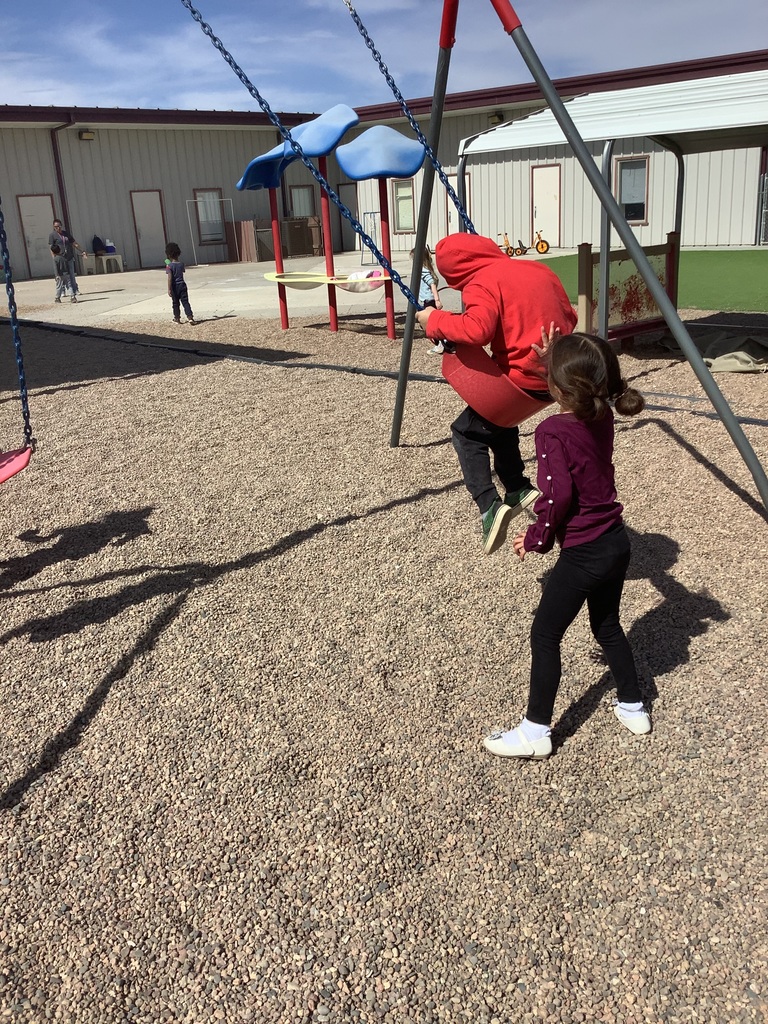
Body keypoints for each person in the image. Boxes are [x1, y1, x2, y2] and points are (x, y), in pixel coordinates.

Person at [483, 332, 650, 761]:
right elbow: (577, 386)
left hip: (586, 552)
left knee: (545, 633)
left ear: (557, 387)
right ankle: (633, 706)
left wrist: (535, 538)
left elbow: (558, 498)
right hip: (616, 543)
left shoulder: (552, 429)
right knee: (607, 626)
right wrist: (554, 360)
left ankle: (535, 730)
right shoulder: (602, 412)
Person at [415, 233, 577, 554]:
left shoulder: (481, 283)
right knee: (498, 421)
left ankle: (489, 505)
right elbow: (569, 315)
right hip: (556, 376)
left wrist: (433, 320)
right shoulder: (538, 269)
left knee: (466, 433)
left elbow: (477, 330)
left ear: (456, 273)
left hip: (521, 383)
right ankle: (516, 486)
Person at [410, 246, 442, 352]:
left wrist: (437, 300)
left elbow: (432, 284)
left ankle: (440, 343)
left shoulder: (423, 270)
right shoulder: (427, 268)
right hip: (428, 300)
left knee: (430, 323)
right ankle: (440, 343)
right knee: (431, 322)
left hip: (428, 300)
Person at [48, 218, 87, 303]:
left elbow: (74, 243)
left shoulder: (66, 234)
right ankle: (61, 293)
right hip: (59, 258)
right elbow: (51, 247)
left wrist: (82, 250)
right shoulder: (52, 235)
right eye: (55, 227)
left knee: (70, 276)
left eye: (58, 226)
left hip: (68, 257)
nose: (57, 228)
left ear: (61, 226)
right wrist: (54, 257)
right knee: (60, 277)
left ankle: (74, 292)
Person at [165, 243, 195, 324]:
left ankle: (177, 318)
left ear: (169, 255)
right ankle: (190, 317)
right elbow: (182, 271)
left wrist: (169, 289)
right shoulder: (181, 264)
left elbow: (170, 277)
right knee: (185, 302)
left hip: (175, 286)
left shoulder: (169, 266)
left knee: (175, 303)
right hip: (182, 284)